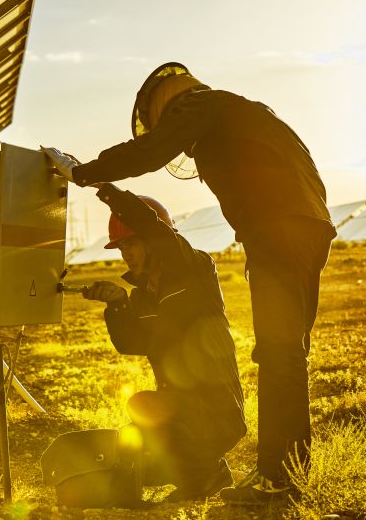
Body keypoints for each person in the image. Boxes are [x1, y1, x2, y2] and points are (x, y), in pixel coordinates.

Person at [50, 62, 335, 504]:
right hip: (311, 230)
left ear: (166, 104)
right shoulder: (249, 114)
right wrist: (117, 303)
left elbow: (152, 152)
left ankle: (277, 479)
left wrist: (85, 174)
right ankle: (284, 475)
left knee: (281, 356)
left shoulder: (204, 105)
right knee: (287, 356)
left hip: (277, 230)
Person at [80, 183, 246, 502]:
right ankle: (205, 471)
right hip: (181, 408)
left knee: (144, 405)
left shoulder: (194, 269)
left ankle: (205, 476)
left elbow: (157, 232)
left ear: (155, 241)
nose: (127, 253)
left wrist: (104, 188)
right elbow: (131, 344)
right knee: (141, 453)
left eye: (134, 243)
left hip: (216, 408)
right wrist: (117, 304)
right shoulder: (141, 297)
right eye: (121, 247)